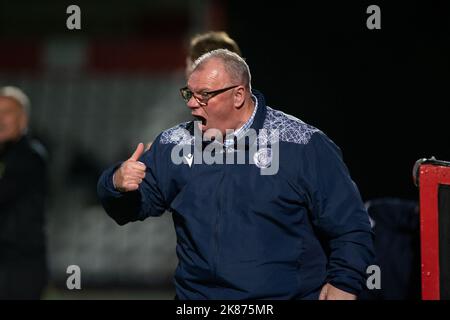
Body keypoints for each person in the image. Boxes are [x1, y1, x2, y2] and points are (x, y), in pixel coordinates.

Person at [97, 49, 375, 300]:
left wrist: (345, 283)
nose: (192, 104)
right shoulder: (174, 144)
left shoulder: (302, 144)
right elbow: (128, 211)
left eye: (203, 94)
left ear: (239, 95)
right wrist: (116, 183)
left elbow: (350, 223)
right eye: (188, 93)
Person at [0, 86, 48, 299]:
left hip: (22, 262)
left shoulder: (30, 156)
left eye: (7, 113)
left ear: (23, 119)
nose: (0, 119)